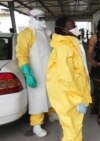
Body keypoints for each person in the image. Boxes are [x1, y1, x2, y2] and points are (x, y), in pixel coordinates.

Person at [46, 17, 92, 141]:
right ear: (65, 30)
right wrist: (77, 100)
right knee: (71, 126)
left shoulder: (70, 44)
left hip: (71, 91)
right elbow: (65, 77)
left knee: (73, 125)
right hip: (68, 94)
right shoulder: (65, 48)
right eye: (73, 26)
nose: (76, 28)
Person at [16, 8, 57, 137]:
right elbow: (21, 55)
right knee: (37, 98)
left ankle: (52, 114)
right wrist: (28, 74)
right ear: (33, 18)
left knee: (51, 94)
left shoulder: (45, 32)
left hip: (48, 71)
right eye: (40, 18)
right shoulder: (26, 34)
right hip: (36, 73)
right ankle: (36, 125)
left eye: (44, 18)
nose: (43, 21)